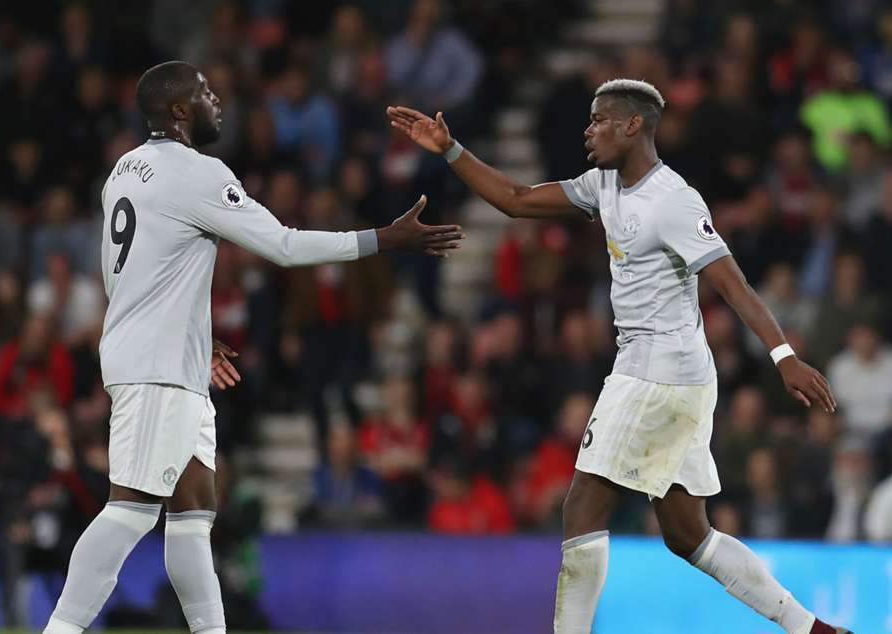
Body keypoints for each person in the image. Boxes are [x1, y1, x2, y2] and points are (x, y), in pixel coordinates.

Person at [387, 78, 848, 634]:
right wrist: (451, 149)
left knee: (582, 506)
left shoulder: (674, 200)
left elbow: (733, 284)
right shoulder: (602, 184)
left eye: (600, 119)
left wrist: (783, 356)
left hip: (658, 370)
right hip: (674, 372)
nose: (588, 130)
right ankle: (812, 629)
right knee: (688, 535)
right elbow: (516, 199)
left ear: (633, 125)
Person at [42, 60, 464, 634]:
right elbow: (283, 246)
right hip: (158, 366)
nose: (216, 100)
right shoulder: (198, 172)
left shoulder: (123, 169)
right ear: (180, 110)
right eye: (204, 92)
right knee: (131, 510)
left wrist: (196, 333)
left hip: (164, 356)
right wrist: (383, 239)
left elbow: (129, 275)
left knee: (193, 514)